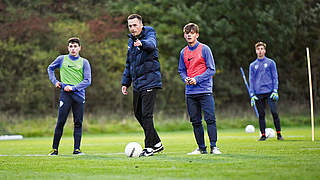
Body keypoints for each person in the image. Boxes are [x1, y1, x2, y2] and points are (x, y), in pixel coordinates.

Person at [121, 14, 163, 157]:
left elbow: (152, 44)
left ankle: (149, 147)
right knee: (138, 114)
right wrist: (126, 82)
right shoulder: (130, 41)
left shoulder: (149, 33)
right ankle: (157, 142)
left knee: (146, 115)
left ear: (141, 25)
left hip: (150, 81)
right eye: (130, 26)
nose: (132, 28)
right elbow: (129, 64)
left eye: (135, 25)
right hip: (138, 84)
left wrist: (142, 43)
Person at [178, 23, 221, 155]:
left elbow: (211, 69)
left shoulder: (205, 49)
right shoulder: (183, 52)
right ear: (184, 35)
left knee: (210, 119)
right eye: (187, 33)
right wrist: (185, 78)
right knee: (195, 121)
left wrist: (197, 79)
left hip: (205, 91)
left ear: (197, 35)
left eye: (192, 32)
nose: (189, 35)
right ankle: (201, 148)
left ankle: (214, 147)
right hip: (190, 93)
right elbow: (181, 70)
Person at [47, 37, 92, 155]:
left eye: (75, 46)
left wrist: (73, 88)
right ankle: (54, 149)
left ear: (80, 48)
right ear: (68, 48)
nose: (73, 49)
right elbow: (50, 68)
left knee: (78, 123)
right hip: (65, 95)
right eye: (71, 46)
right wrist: (55, 81)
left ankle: (77, 149)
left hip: (79, 96)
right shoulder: (62, 59)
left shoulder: (84, 62)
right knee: (60, 122)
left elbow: (87, 81)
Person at [249, 41, 284, 141]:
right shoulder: (252, 65)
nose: (260, 51)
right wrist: (252, 94)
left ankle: (279, 134)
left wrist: (275, 90)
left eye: (262, 49)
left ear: (265, 50)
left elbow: (275, 77)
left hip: (270, 92)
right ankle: (263, 135)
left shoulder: (270, 63)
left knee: (274, 112)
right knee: (261, 114)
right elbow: (251, 80)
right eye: (258, 49)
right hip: (258, 94)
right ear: (256, 51)